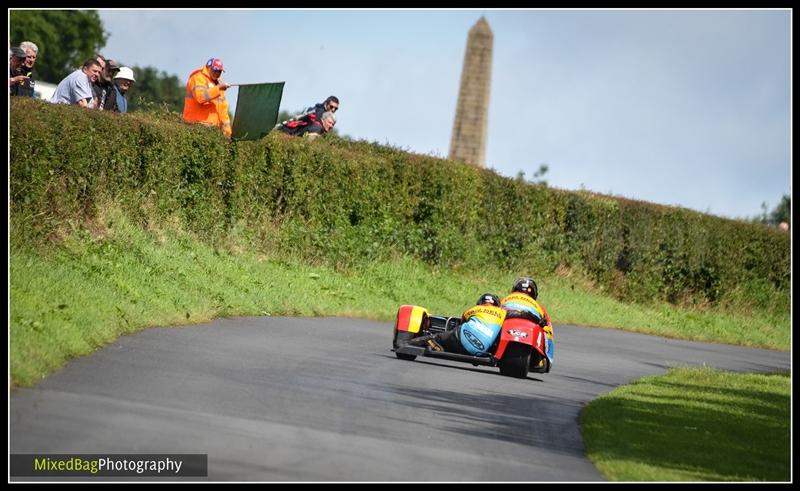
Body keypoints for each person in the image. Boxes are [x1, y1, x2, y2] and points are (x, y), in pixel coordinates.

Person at [411, 293, 507, 356]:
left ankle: (409, 343)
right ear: (497, 304)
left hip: (460, 339)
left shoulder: (472, 309)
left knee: (437, 337)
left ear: (480, 303)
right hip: (481, 351)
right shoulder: (503, 312)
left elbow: (462, 322)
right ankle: (441, 346)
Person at [500, 277, 554, 366]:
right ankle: (541, 358)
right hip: (531, 320)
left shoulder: (505, 299)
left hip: (508, 316)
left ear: (514, 290)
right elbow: (548, 329)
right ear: (534, 294)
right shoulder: (540, 307)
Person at [182, 57, 232, 138]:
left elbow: (224, 113)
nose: (217, 73)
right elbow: (200, 97)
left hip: (212, 131)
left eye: (219, 71)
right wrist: (218, 89)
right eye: (215, 70)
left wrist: (227, 134)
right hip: (195, 127)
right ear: (208, 68)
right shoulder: (198, 78)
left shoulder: (219, 84)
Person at [275, 95, 339, 134]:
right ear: (326, 104)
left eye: (335, 109)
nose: (333, 110)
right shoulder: (320, 113)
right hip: (290, 131)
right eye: (331, 107)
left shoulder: (321, 111)